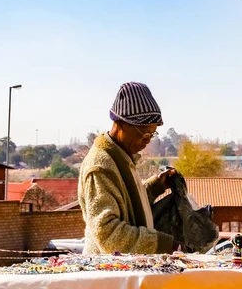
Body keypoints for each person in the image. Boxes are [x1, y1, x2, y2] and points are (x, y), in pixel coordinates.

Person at [78, 81, 183, 255]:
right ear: (121, 123)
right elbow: (108, 234)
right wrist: (163, 243)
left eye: (153, 133)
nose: (148, 139)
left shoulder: (123, 158)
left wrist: (155, 186)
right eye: (144, 132)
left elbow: (127, 207)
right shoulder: (100, 166)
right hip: (108, 274)